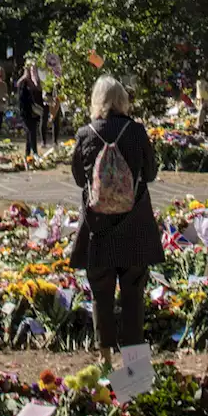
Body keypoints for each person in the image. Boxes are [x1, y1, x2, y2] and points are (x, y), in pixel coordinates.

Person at [69, 76, 164, 366]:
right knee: (133, 293)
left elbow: (77, 178)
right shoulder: (136, 132)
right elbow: (149, 174)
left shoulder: (86, 134)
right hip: (134, 225)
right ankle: (134, 367)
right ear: (123, 100)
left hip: (98, 228)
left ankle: (105, 358)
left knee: (101, 292)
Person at [18, 65, 43, 156]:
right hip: (26, 110)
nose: (31, 72)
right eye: (29, 71)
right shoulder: (23, 82)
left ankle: (28, 152)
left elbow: (39, 91)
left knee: (31, 131)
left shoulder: (37, 82)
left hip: (35, 111)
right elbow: (20, 93)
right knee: (31, 131)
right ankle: (34, 151)